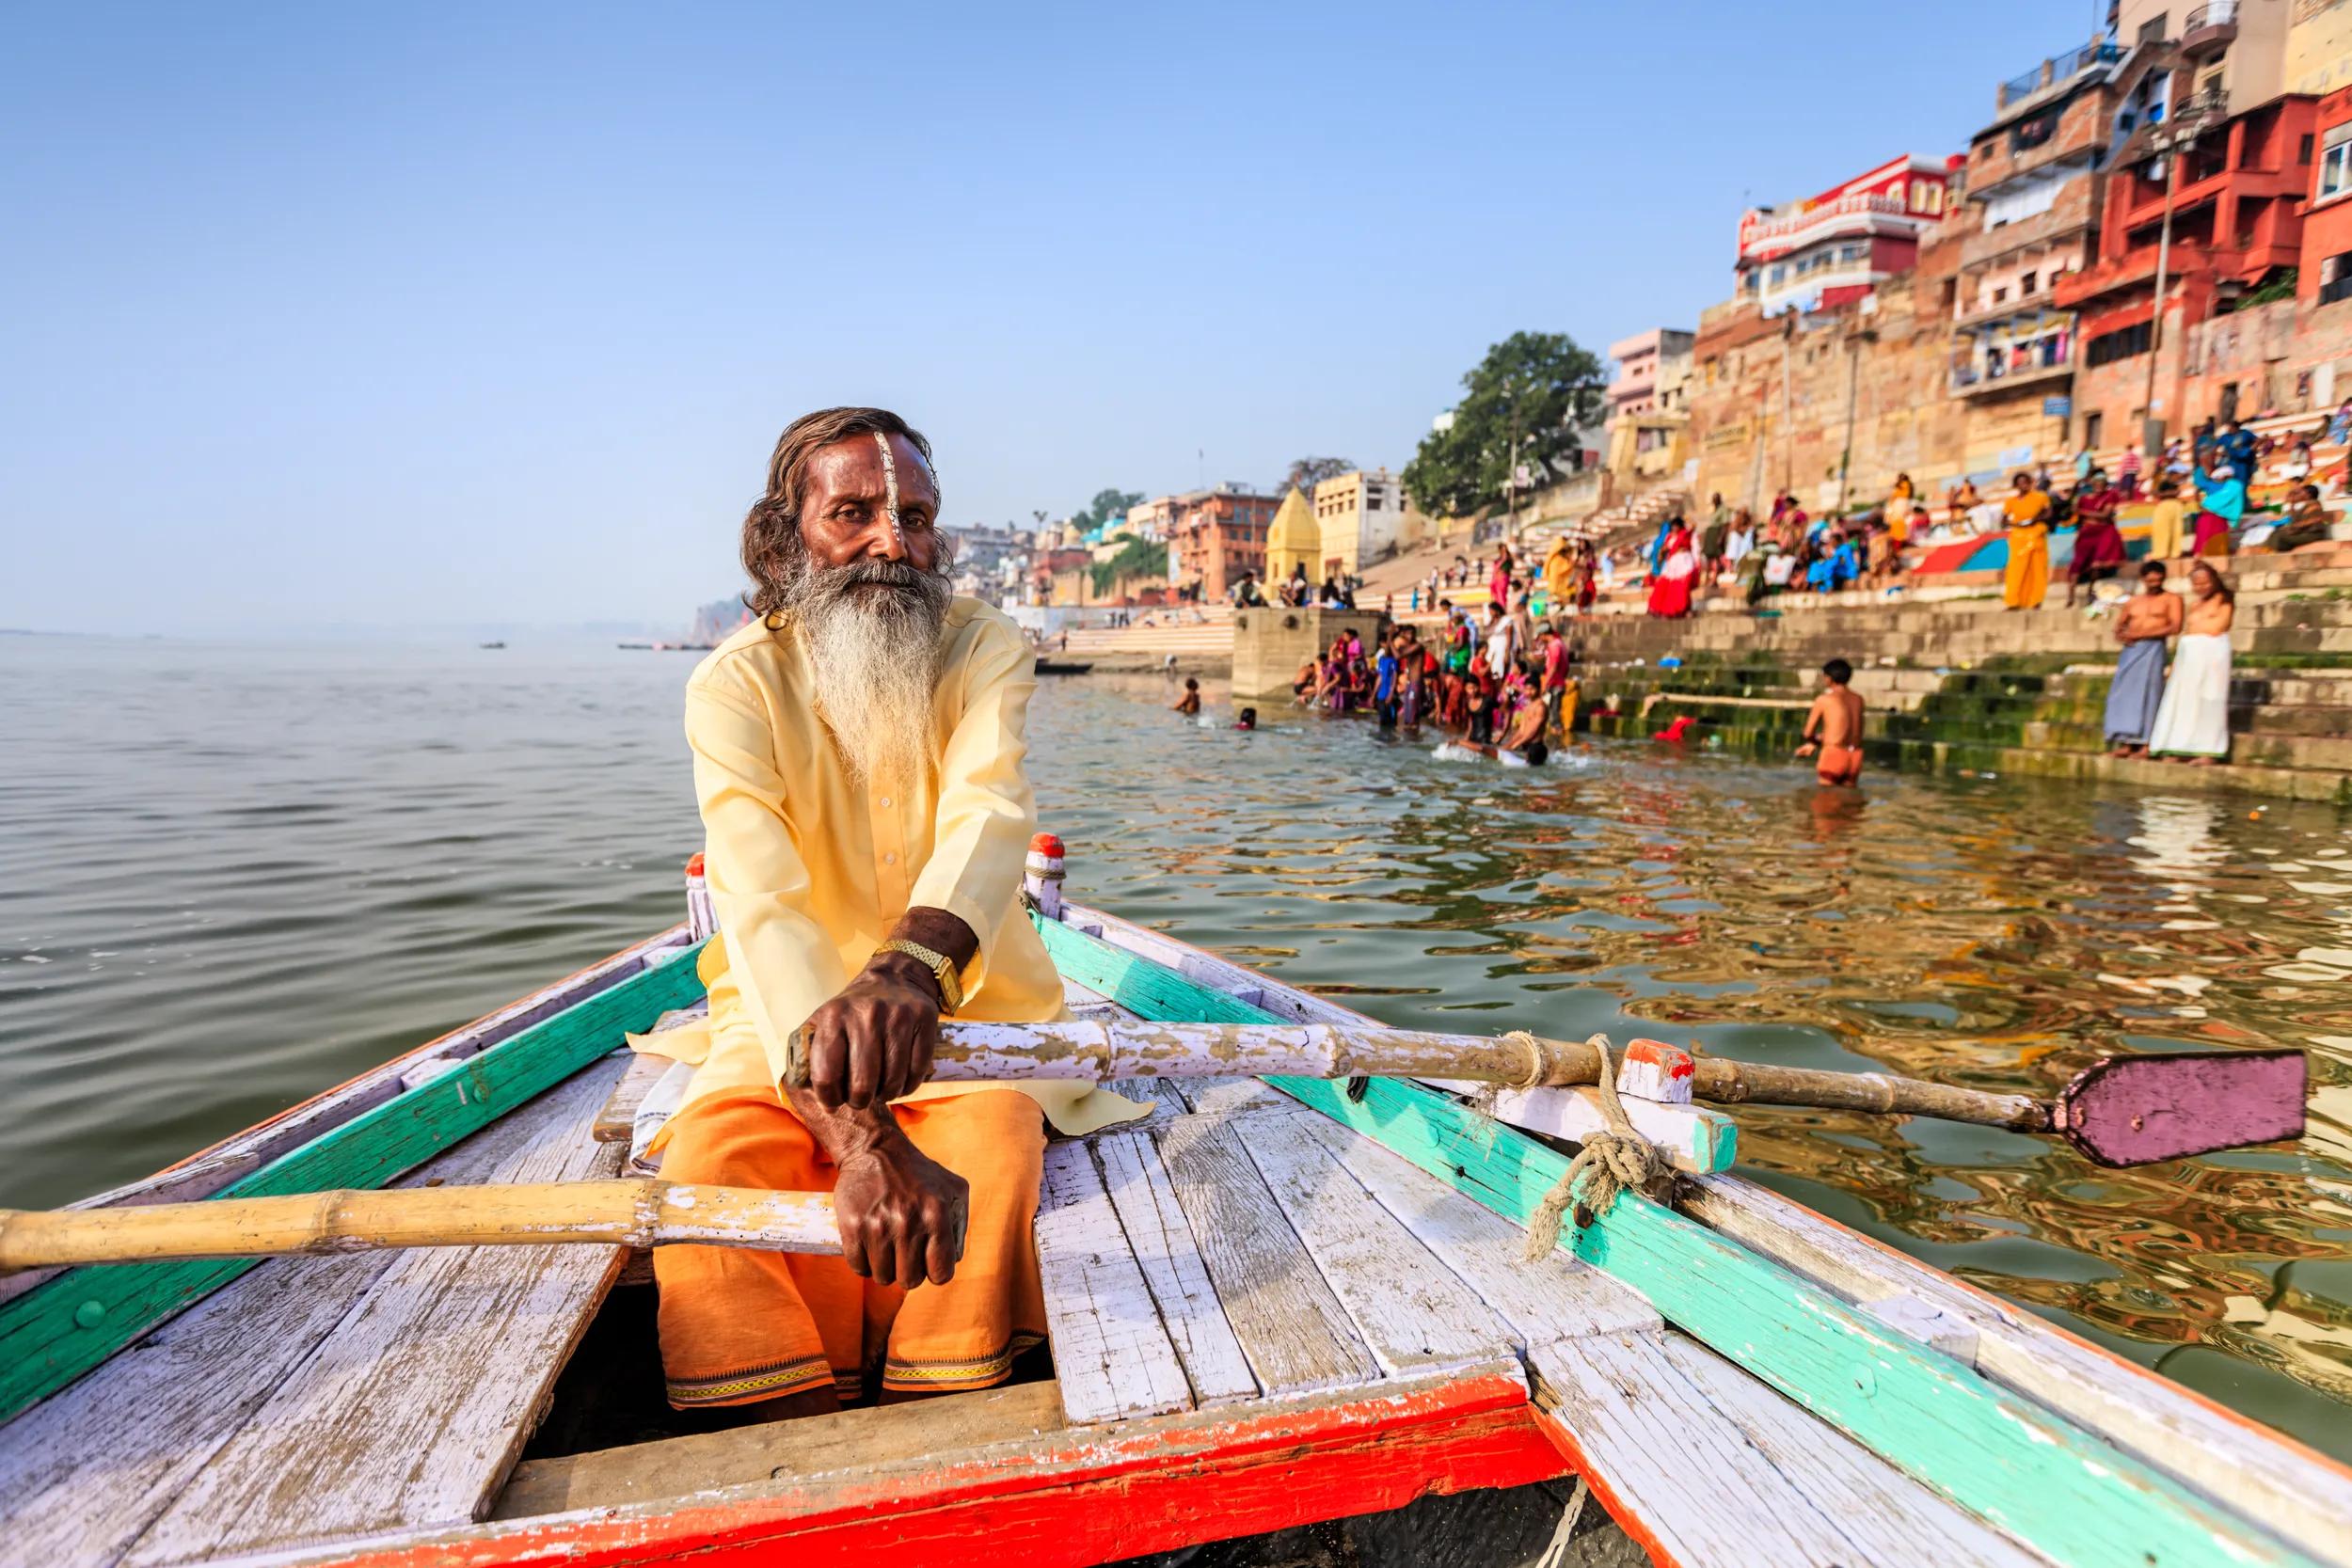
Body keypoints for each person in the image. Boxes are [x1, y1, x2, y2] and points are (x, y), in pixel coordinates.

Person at [651, 406, 1148, 1419]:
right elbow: (758, 897)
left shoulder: (983, 647)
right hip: (775, 1019)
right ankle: (778, 1432)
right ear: (787, 539)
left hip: (967, 1013)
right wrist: (865, 1139)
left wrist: (911, 969)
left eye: (914, 516)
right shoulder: (733, 683)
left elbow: (989, 809)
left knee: (994, 1150)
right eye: (855, 512)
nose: (893, 542)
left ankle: (941, 1413)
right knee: (711, 1170)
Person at [2147, 563, 2237, 765]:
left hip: (2212, 652)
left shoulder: (2224, 599)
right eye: (2196, 584)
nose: (2201, 587)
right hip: (2189, 654)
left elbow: (2220, 626)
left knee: (2209, 700)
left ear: (2213, 580)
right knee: (2184, 701)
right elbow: (2188, 630)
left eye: (2205, 582)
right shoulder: (2194, 605)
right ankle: (2180, 747)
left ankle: (2208, 751)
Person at [2105, 562, 2182, 757]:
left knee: (2150, 694)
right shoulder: (2133, 601)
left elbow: (2175, 626)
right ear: (2143, 579)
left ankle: (2147, 744)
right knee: (2123, 694)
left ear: (2164, 578)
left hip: (2153, 649)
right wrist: (2121, 634)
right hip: (2131, 651)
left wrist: (2143, 634)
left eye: (2158, 579)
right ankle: (2126, 742)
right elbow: (2119, 625)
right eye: (2151, 580)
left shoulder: (2172, 599)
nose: (2155, 583)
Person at [1794, 657, 1866, 786]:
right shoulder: (1859, 700)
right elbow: (1848, 731)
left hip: (1833, 756)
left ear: (1829, 678)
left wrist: (1813, 742)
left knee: (1825, 800)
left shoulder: (1824, 700)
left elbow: (1808, 733)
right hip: (1854, 756)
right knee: (1850, 802)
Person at [2067, 475, 2124, 608]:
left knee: (2096, 563)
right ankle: (2071, 596)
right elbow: (2073, 510)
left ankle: (2090, 592)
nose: (2099, 486)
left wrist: (2082, 512)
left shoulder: (2109, 496)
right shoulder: (2084, 499)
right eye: (2096, 484)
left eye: (2102, 484)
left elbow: (2105, 515)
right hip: (2087, 533)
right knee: (2077, 564)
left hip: (2102, 532)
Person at [2001, 471, 2052, 610]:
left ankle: (2035, 601)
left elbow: (2049, 513)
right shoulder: (2011, 501)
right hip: (2018, 537)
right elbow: (2003, 520)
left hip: (2036, 534)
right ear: (2016, 485)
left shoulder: (2041, 497)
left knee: (2037, 570)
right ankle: (2013, 601)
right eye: (2019, 483)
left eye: (2025, 482)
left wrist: (2036, 520)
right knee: (2016, 570)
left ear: (2030, 483)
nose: (2023, 485)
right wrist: (2016, 525)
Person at [2189, 460, 2245, 557]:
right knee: (2207, 544)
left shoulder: (2233, 486)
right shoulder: (2219, 485)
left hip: (2215, 518)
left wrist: (2203, 505)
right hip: (2210, 517)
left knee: (2209, 545)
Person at [1646, 516, 1697, 618]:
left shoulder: (1685, 534)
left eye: (1676, 526)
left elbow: (1693, 525)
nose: (1674, 528)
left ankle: (1685, 609)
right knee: (1668, 586)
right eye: (1673, 526)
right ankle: (1674, 609)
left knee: (1683, 585)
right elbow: (1665, 548)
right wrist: (1661, 553)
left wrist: (1686, 519)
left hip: (1684, 561)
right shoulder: (1669, 537)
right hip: (1673, 562)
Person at [2271, 483, 2335, 553]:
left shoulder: (2315, 504)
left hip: (2313, 534)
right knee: (2277, 534)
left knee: (2280, 536)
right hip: (2304, 533)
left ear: (2308, 494)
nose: (2299, 494)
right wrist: (2292, 503)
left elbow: (2312, 522)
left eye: (2301, 492)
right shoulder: (2305, 506)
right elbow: (2294, 520)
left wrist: (2293, 527)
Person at [2146, 475, 2186, 564]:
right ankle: (2161, 553)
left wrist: (2165, 494)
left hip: (2175, 505)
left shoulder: (2175, 484)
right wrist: (2169, 493)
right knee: (2162, 530)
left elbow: (2177, 492)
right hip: (2164, 506)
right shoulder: (2162, 483)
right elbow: (2154, 492)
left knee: (2176, 530)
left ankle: (2175, 553)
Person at [1544, 533, 1576, 614]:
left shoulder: (1557, 556)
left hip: (1556, 583)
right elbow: (1565, 568)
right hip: (1557, 583)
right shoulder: (1558, 558)